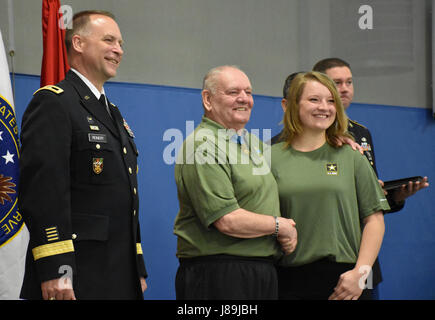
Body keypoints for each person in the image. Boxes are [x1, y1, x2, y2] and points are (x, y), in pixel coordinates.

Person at [19, 10, 147, 300]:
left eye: (121, 43)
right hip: (76, 275)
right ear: (78, 43)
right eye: (109, 40)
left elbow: (126, 197)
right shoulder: (54, 103)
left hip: (118, 272)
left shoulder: (112, 113)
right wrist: (56, 268)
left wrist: (136, 265)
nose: (119, 50)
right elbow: (44, 192)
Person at [173, 65, 298, 300]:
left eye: (249, 92)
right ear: (208, 100)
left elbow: (299, 153)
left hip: (260, 271)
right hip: (220, 275)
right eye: (233, 92)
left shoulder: (253, 143)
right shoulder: (203, 145)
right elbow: (227, 220)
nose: (244, 99)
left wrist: (336, 141)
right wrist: (280, 225)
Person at [271, 71, 390, 300]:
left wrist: (361, 273)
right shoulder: (267, 157)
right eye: (314, 99)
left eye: (331, 100)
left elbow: (374, 219)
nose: (324, 107)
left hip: (347, 282)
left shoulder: (353, 155)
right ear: (292, 105)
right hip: (288, 281)